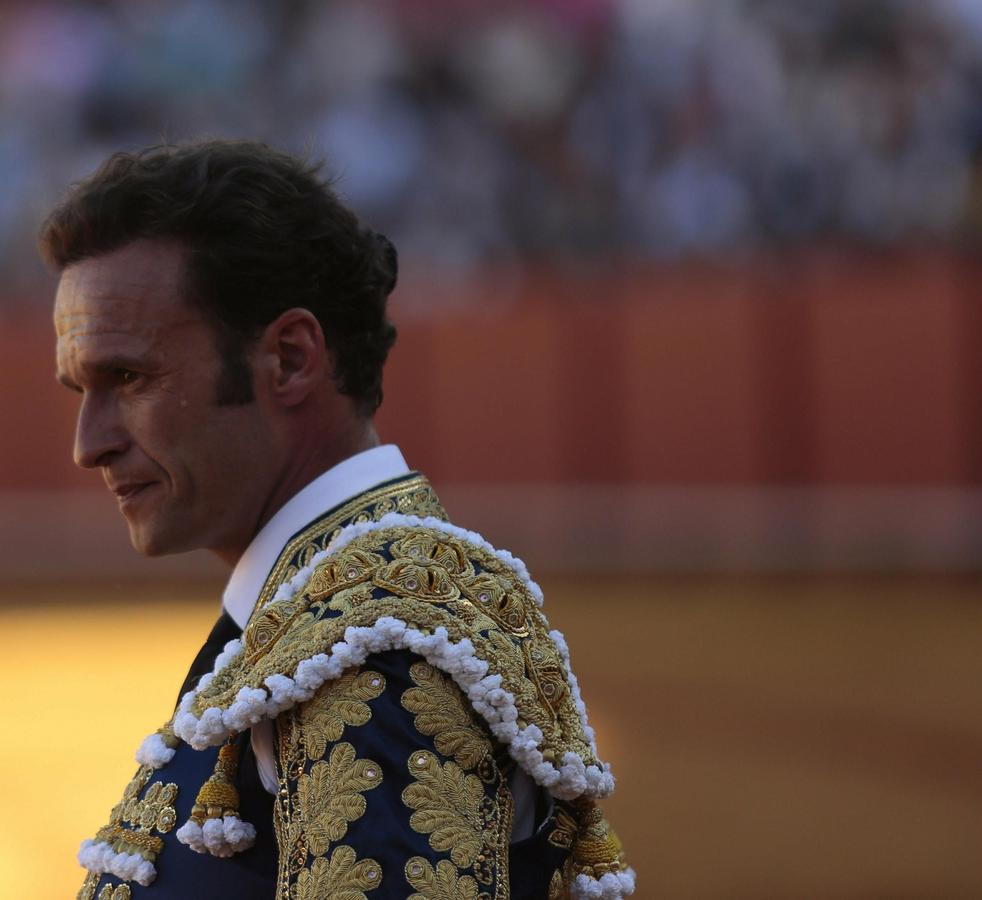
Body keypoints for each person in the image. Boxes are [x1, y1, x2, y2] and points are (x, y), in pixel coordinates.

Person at [42, 140, 633, 900]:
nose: (89, 444)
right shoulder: (318, 618)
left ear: (288, 360)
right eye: (79, 390)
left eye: (128, 377)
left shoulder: (371, 647)